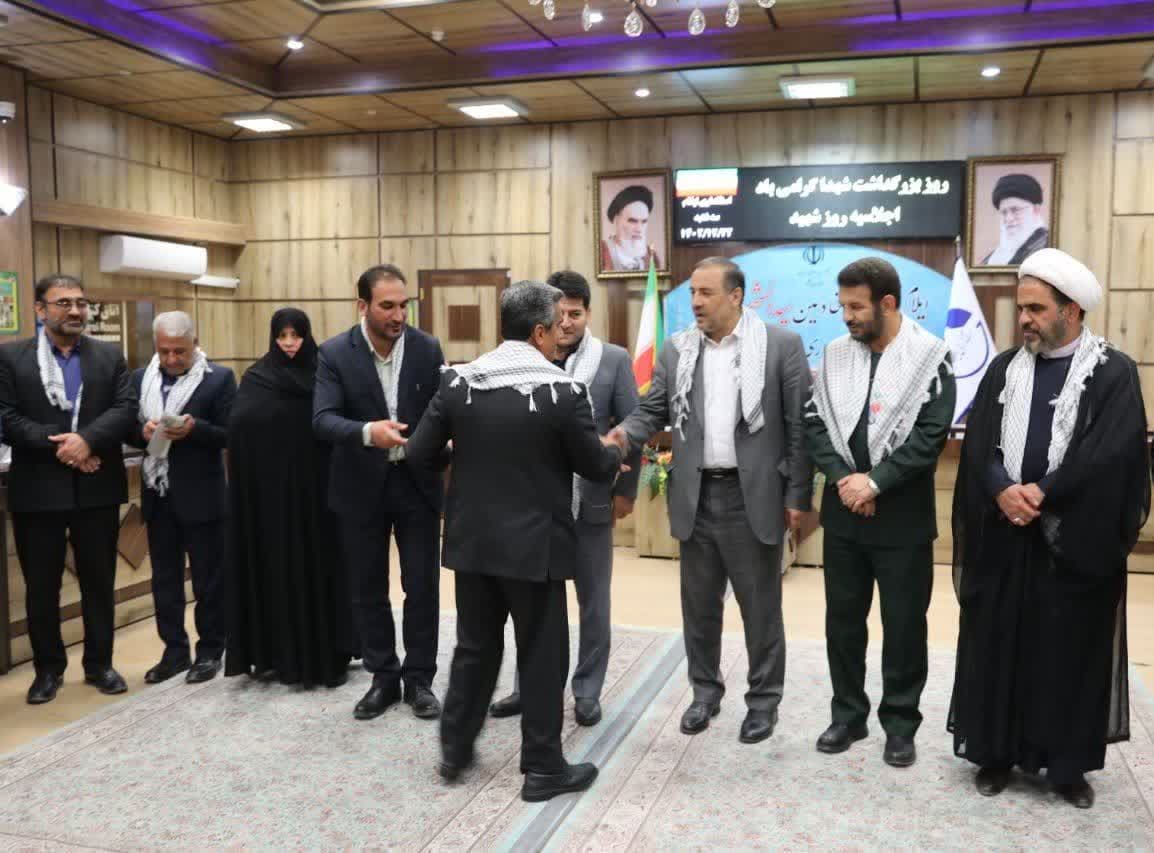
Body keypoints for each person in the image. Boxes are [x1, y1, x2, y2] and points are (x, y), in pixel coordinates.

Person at [405, 281, 625, 802]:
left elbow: (418, 454)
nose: (561, 334)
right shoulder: (562, 393)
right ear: (540, 331)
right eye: (555, 326)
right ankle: (543, 768)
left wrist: (460, 456)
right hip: (536, 549)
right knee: (543, 655)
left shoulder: (459, 382)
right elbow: (594, 465)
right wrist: (614, 449)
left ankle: (455, 750)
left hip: (474, 546)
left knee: (474, 649)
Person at [950, 248, 1151, 809]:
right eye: (1022, 308)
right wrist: (1001, 489)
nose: (1025, 319)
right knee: (999, 644)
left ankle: (1065, 766)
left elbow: (1110, 456)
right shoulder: (1004, 368)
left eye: (1036, 309)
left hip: (1072, 541)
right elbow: (979, 443)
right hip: (1006, 536)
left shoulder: (1112, 372)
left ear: (1072, 310)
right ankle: (994, 753)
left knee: (1068, 652)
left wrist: (1042, 492)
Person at [610, 256, 811, 744]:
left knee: (760, 610)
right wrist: (623, 434)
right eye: (693, 294)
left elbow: (799, 428)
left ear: (736, 296)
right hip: (695, 495)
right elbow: (653, 410)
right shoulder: (677, 350)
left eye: (706, 293)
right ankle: (705, 692)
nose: (696, 302)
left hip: (753, 497)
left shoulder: (781, 346)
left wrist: (798, 496)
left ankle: (763, 702)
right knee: (699, 609)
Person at [804, 258, 955, 768]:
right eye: (842, 306)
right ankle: (848, 716)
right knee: (843, 624)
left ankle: (900, 725)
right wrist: (845, 481)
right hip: (845, 517)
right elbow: (814, 422)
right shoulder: (834, 354)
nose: (846, 316)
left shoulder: (931, 357)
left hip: (902, 521)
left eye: (856, 306)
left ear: (887, 304)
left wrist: (874, 482)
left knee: (904, 627)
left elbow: (929, 438)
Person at [489, 270, 640, 727]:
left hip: (591, 502)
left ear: (588, 312)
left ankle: (587, 692)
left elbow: (632, 428)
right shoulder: (526, 357)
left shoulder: (613, 360)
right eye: (561, 314)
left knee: (593, 604)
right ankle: (528, 688)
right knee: (532, 604)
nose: (568, 322)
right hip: (535, 508)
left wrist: (626, 492)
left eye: (576, 313)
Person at [314, 265, 446, 720]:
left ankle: (419, 679)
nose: (398, 315)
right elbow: (322, 419)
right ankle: (383, 677)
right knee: (367, 588)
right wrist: (369, 432)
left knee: (422, 586)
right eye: (387, 306)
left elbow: (441, 410)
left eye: (404, 305)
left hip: (416, 483)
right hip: (359, 486)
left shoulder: (427, 348)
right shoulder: (334, 353)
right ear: (363, 306)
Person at [0, 274, 137, 704]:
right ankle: (48, 671)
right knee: (42, 588)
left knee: (99, 583)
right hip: (37, 491)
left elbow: (125, 409)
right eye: (64, 303)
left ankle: (100, 665)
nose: (75, 311)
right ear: (40, 309)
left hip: (97, 488)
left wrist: (87, 441)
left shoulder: (109, 355)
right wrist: (67, 448)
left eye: (80, 303)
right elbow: (7, 418)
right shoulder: (11, 357)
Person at [226, 308, 358, 688]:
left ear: (306, 335)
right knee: (277, 567)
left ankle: (327, 653)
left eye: (296, 335)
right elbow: (239, 426)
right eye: (282, 336)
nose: (289, 344)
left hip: (317, 495)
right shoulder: (257, 377)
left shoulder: (323, 373)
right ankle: (274, 653)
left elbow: (336, 423)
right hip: (271, 499)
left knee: (321, 567)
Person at [128, 311, 235, 685]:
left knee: (209, 581)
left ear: (195, 344)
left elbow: (231, 433)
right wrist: (142, 431)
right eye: (164, 351)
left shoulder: (218, 378)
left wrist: (195, 429)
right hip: (158, 494)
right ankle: (174, 652)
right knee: (165, 581)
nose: (172, 359)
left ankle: (211, 650)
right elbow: (127, 427)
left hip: (202, 496)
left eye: (180, 351)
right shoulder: (140, 379)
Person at [981, 173, 1049, 266]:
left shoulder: (1046, 247)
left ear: (1036, 210)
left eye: (1015, 210)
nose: (1009, 219)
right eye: (1004, 212)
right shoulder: (993, 257)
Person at [600, 184, 661, 273]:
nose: (639, 229)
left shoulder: (652, 256)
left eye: (644, 222)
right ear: (616, 221)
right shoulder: (602, 251)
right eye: (632, 221)